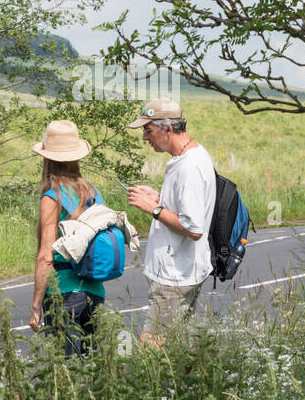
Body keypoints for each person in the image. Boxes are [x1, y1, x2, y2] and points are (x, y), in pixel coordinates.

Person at [125, 99, 216, 346]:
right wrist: (159, 198)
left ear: (168, 129)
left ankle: (151, 385)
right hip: (181, 270)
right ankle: (193, 383)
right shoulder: (188, 157)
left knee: (151, 347)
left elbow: (193, 228)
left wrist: (152, 208)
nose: (145, 138)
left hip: (175, 275)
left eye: (148, 130)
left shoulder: (189, 167)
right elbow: (187, 208)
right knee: (181, 344)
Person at [30, 119, 107, 356]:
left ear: (47, 158)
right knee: (93, 366)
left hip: (63, 293)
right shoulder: (93, 192)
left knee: (67, 371)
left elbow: (45, 257)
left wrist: (35, 307)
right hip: (95, 292)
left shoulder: (52, 197)